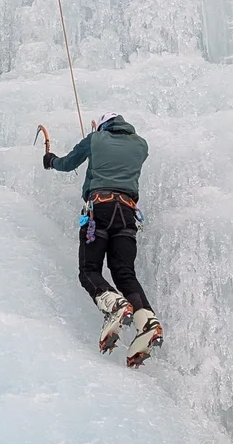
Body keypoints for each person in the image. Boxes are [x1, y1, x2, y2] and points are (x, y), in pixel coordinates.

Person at [44, 113, 163, 366]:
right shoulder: (141, 145)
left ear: (103, 126)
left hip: (99, 210)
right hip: (127, 214)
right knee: (124, 273)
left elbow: (69, 163)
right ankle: (147, 321)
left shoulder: (95, 139)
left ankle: (114, 304)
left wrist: (51, 160)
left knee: (89, 270)